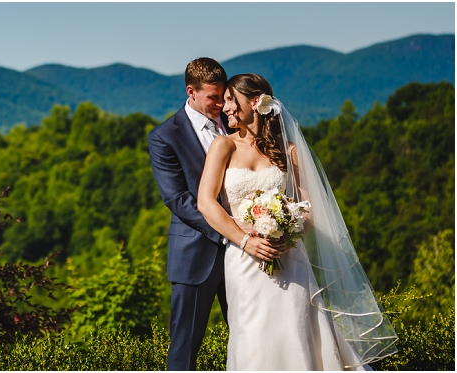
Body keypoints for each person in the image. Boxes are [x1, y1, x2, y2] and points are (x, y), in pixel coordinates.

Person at [197, 73, 398, 370]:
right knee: (251, 334)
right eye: (224, 101)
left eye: (230, 100)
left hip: (290, 258)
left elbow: (310, 207)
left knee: (297, 330)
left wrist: (287, 231)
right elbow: (206, 203)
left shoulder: (287, 150)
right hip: (243, 260)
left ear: (255, 102)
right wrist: (247, 241)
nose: (224, 108)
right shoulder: (222, 147)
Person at [147, 58, 273, 370]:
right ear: (191, 92)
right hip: (195, 254)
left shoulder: (235, 123)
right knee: (184, 348)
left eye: (224, 96)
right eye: (213, 97)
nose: (221, 104)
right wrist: (232, 228)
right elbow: (177, 198)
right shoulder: (165, 136)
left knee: (254, 338)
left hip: (247, 257)